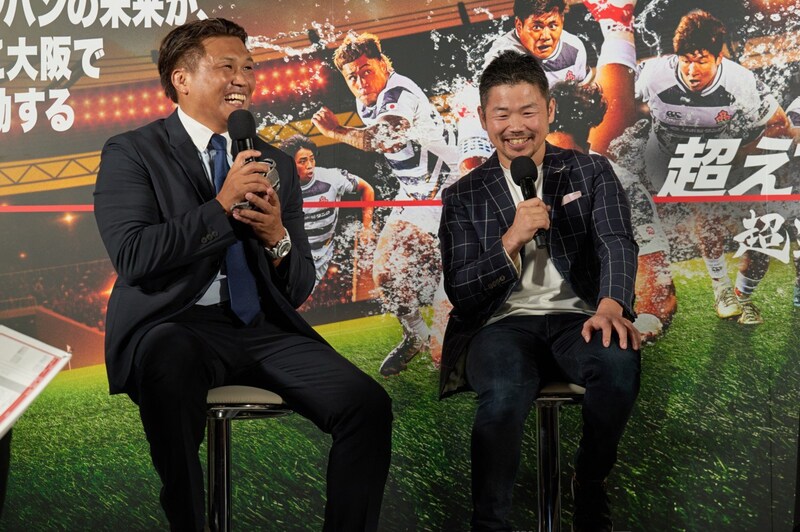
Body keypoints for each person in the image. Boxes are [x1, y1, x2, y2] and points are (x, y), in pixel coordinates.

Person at [93, 19, 392, 532]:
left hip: (260, 328)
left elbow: (296, 289)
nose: (242, 79)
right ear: (181, 79)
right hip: (175, 324)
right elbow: (135, 256)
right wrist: (220, 206)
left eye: (248, 68)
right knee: (168, 359)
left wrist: (277, 238)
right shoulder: (132, 151)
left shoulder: (273, 162)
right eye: (226, 67)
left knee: (367, 405)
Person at [439, 50, 641, 531]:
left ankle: (589, 481)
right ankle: (489, 524)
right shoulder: (462, 195)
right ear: (483, 118)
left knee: (618, 363)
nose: (516, 127)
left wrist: (611, 305)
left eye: (528, 111)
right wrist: (511, 240)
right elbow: (462, 291)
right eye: (502, 114)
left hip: (580, 317)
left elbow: (616, 240)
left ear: (549, 111)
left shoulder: (590, 172)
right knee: (504, 393)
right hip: (499, 326)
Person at [634, 9, 797, 324]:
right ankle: (721, 288)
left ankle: (742, 296)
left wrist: (741, 153)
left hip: (724, 154)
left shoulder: (740, 81)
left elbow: (780, 125)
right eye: (685, 60)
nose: (691, 70)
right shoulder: (652, 74)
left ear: (719, 58)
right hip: (669, 159)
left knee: (760, 235)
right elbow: (616, 99)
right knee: (707, 211)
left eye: (701, 61)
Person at [312, 32, 459, 376]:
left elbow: (382, 137)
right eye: (352, 76)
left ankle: (462, 335)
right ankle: (415, 335)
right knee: (386, 272)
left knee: (454, 289)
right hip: (416, 193)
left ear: (383, 65)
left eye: (366, 71)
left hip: (452, 190)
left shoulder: (398, 92)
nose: (360, 81)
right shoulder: (367, 102)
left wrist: (336, 132)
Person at [280, 134, 375, 288]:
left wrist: (367, 227)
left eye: (312, 159)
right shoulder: (279, 187)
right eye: (303, 161)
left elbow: (366, 189)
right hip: (293, 255)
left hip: (322, 256)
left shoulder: (331, 177)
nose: (310, 165)